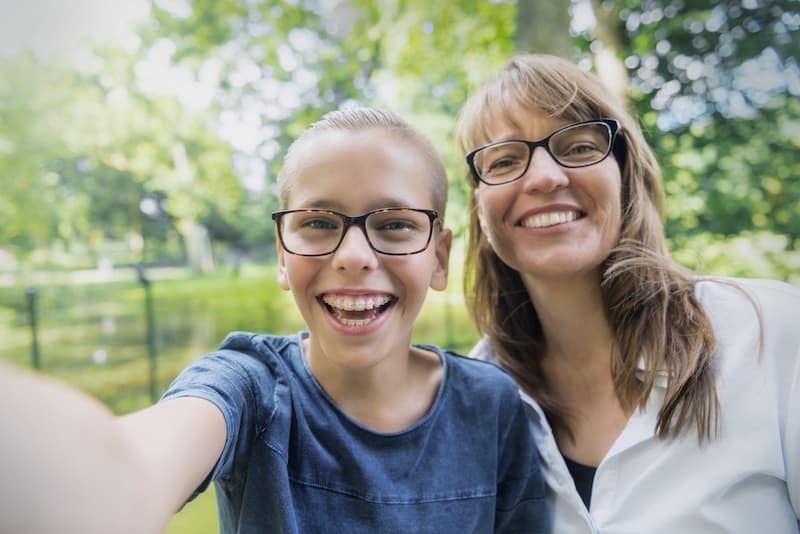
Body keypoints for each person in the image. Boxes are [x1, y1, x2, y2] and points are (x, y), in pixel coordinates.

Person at [0, 107, 549, 534]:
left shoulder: (493, 406)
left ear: (440, 257)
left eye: (396, 224)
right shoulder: (249, 389)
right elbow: (132, 466)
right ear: (282, 255)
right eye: (317, 221)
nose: (354, 254)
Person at [456, 53, 800, 533]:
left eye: (576, 148)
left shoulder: (771, 333)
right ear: (478, 207)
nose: (545, 177)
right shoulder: (471, 402)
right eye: (506, 160)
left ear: (625, 174)